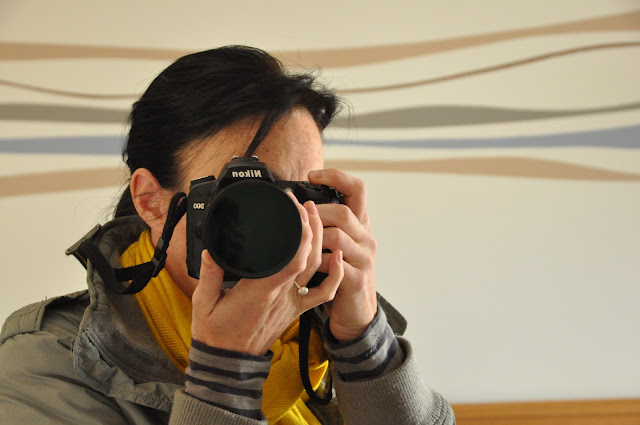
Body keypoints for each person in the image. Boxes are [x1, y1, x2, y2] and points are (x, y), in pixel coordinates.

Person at [0, 46, 455, 424]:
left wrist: (364, 342)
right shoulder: (49, 364)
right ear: (151, 201)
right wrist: (226, 369)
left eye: (298, 195)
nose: (276, 221)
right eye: (241, 195)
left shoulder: (316, 340)